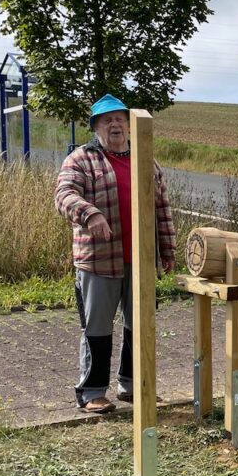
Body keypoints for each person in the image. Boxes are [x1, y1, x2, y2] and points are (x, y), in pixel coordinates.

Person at [54, 94, 177, 413]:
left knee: (140, 323)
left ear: (130, 125)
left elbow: (161, 208)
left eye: (120, 119)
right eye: (107, 120)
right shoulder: (81, 159)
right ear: (96, 127)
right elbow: (64, 194)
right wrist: (89, 214)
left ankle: (132, 385)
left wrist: (167, 248)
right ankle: (92, 391)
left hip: (140, 258)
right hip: (98, 261)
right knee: (97, 327)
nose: (115, 125)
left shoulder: (145, 160)